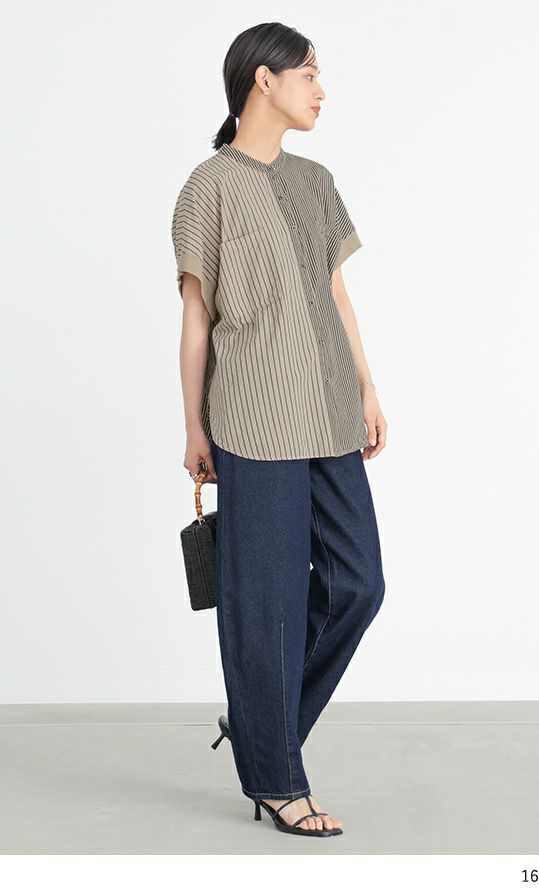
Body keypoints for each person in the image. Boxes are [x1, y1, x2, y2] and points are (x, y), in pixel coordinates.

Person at [171, 22, 387, 837]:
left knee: (358, 583)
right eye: (309, 74)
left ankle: (261, 729)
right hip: (253, 419)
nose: (321, 91)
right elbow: (197, 320)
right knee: (264, 604)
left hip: (329, 410)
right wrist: (192, 426)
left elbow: (336, 295)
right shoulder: (208, 187)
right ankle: (276, 778)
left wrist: (367, 387)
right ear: (263, 80)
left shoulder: (316, 181)